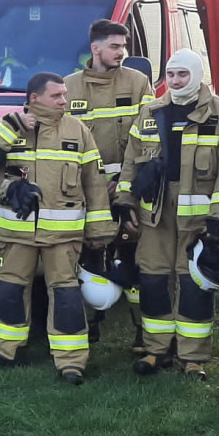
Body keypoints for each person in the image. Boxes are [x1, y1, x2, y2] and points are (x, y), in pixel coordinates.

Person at [0, 73, 116, 384]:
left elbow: (95, 181)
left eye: (64, 95)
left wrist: (99, 229)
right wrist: (10, 128)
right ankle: (5, 350)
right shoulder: (9, 125)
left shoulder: (77, 130)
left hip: (63, 235)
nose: (64, 101)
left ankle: (71, 361)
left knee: (65, 294)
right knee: (9, 289)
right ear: (34, 98)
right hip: (16, 232)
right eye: (57, 96)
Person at [114, 49, 219, 381]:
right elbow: (131, 161)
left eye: (183, 75)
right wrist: (124, 201)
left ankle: (192, 357)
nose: (176, 81)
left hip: (199, 219)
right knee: (153, 279)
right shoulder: (150, 111)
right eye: (172, 74)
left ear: (197, 74)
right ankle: (156, 350)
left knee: (192, 283)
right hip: (155, 214)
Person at [64, 19, 154, 345]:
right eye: (115, 46)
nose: (122, 53)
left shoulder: (137, 82)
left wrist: (124, 182)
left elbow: (148, 137)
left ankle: (144, 333)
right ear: (96, 48)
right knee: (86, 259)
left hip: (126, 189)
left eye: (123, 46)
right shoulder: (68, 88)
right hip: (83, 191)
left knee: (133, 258)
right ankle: (88, 326)